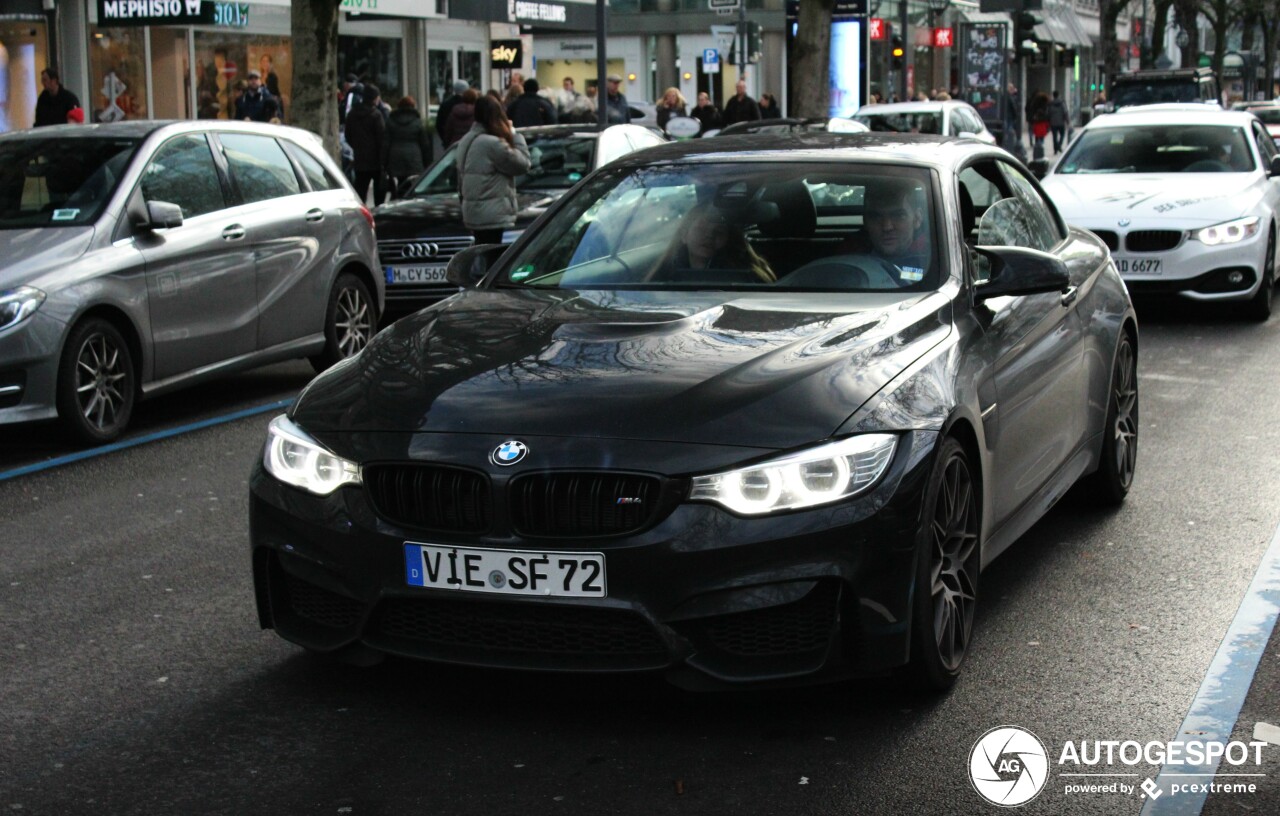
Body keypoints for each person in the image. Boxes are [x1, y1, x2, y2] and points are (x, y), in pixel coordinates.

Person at [456, 95, 531, 245]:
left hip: (472, 212)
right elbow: (522, 164)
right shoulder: (492, 144)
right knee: (493, 259)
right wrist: (515, 135)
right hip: (492, 214)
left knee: (482, 255)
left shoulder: (466, 140)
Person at [654, 203, 774, 282]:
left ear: (728, 239)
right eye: (701, 229)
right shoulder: (666, 274)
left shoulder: (746, 276)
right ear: (684, 235)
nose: (709, 235)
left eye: (719, 231)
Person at [856, 178, 930, 282]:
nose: (887, 227)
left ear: (917, 219)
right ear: (865, 221)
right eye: (876, 217)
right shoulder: (850, 252)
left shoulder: (933, 258)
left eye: (898, 216)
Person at [345, 83, 388, 205]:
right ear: (375, 98)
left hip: (360, 158)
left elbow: (348, 135)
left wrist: (357, 147)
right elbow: (381, 138)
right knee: (379, 190)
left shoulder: (352, 114)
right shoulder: (376, 115)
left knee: (360, 190)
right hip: (376, 160)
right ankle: (378, 211)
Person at [386, 96, 432, 198]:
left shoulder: (391, 121)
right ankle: (408, 197)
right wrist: (427, 162)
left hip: (395, 155)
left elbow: (386, 142)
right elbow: (424, 144)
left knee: (400, 180)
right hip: (414, 155)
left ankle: (398, 196)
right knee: (413, 181)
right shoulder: (417, 122)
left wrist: (384, 162)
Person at [436, 80, 469, 144]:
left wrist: (445, 139)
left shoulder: (445, 104)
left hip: (450, 141)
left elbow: (439, 124)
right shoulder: (470, 105)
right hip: (467, 142)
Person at [1026, 90, 1050, 159]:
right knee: (1042, 135)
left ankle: (1037, 146)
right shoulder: (1045, 103)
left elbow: (1031, 109)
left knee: (1037, 134)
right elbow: (1047, 112)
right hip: (1043, 121)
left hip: (1037, 121)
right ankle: (1040, 147)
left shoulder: (1035, 103)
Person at [1048, 90, 1069, 154]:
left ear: (1053, 96)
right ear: (1058, 95)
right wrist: (1067, 120)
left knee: (1054, 136)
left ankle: (1055, 149)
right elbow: (1065, 112)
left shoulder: (1051, 104)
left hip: (1053, 123)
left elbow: (1048, 113)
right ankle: (1059, 145)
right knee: (1062, 134)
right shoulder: (1062, 103)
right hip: (1061, 123)